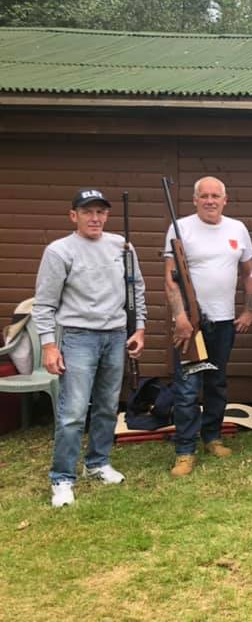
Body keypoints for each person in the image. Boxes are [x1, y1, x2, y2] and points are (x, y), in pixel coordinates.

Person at [35, 189, 146, 508]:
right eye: (87, 212)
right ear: (74, 216)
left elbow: (136, 287)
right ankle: (62, 478)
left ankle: (97, 463)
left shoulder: (122, 247)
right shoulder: (59, 251)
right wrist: (49, 346)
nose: (95, 218)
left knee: (108, 406)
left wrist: (138, 327)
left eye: (100, 212)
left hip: (115, 336)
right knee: (72, 411)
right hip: (78, 337)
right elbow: (44, 303)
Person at [164, 176, 252, 478]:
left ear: (225, 200)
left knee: (216, 382)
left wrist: (247, 310)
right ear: (194, 199)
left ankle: (212, 436)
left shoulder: (237, 229)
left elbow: (248, 274)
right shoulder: (181, 228)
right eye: (204, 195)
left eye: (216, 196)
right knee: (188, 388)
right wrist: (180, 317)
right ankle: (185, 450)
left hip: (224, 321)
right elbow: (171, 279)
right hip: (191, 326)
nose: (210, 200)